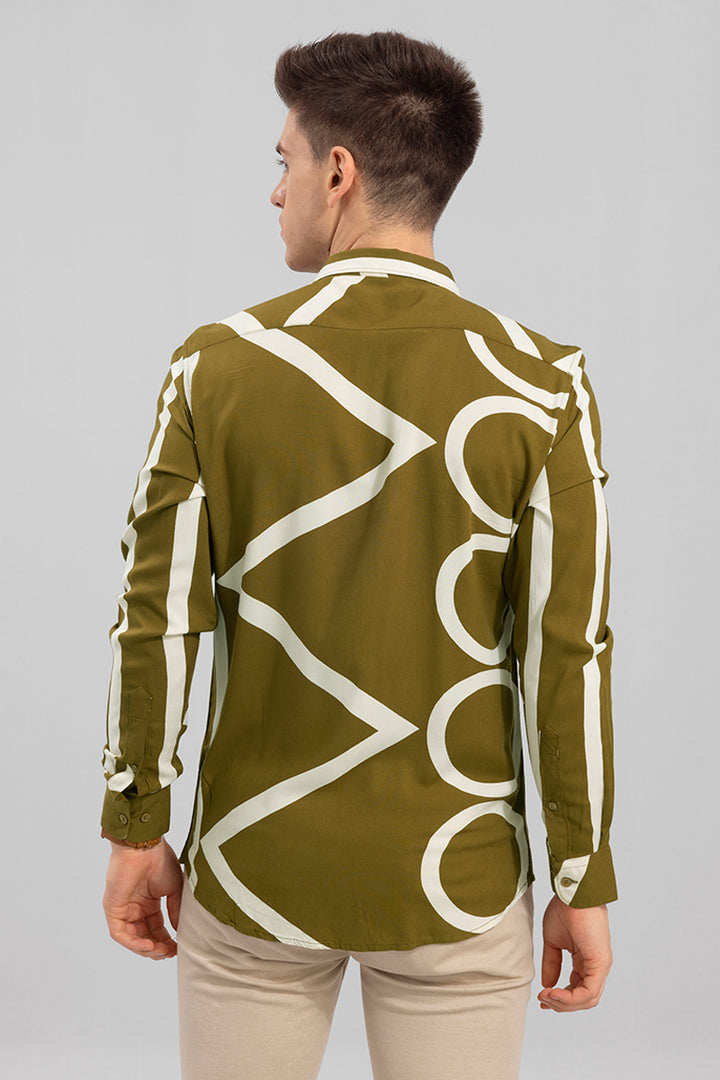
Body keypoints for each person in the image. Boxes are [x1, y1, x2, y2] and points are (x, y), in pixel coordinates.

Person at [100, 29, 616, 1080]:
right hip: (457, 876)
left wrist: (136, 826)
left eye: (283, 160)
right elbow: (568, 654)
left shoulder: (215, 368)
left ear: (338, 172)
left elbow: (156, 623)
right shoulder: (541, 383)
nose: (275, 189)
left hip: (257, 866)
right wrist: (581, 874)